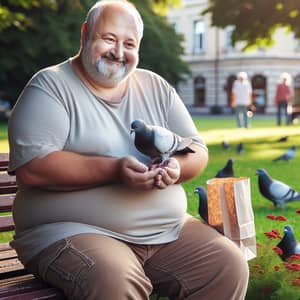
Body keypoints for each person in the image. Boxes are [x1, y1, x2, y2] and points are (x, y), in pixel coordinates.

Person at [8, 1, 249, 299]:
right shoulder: (50, 86)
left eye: (129, 43)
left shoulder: (156, 87)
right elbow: (34, 168)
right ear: (86, 34)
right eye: (108, 39)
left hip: (166, 231)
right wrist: (114, 170)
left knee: (227, 265)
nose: (118, 52)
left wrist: (175, 168)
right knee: (114, 280)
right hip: (71, 231)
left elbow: (196, 151)